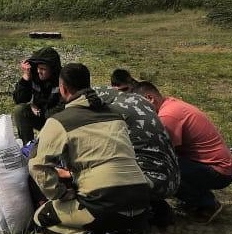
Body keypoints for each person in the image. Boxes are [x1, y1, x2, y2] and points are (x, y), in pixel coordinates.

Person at [30, 63, 152, 234]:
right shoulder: (115, 116)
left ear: (63, 88)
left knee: (41, 217)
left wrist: (61, 194)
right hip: (142, 200)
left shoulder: (59, 121)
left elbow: (37, 166)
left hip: (102, 203)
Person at [134, 82, 232, 223]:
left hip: (219, 171)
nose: (140, 111)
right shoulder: (170, 103)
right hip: (217, 165)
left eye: (140, 107)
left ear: (150, 98)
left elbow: (162, 154)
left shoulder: (167, 116)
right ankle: (197, 197)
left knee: (162, 170)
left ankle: (207, 205)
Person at [94, 85, 181, 227]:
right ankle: (156, 208)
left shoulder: (113, 112)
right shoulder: (141, 102)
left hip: (153, 183)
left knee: (102, 180)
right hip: (174, 177)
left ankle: (142, 218)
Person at [10, 46, 63, 144]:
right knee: (20, 110)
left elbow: (63, 107)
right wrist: (26, 77)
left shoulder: (62, 80)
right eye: (38, 68)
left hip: (57, 122)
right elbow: (19, 99)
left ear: (52, 69)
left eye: (43, 69)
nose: (39, 71)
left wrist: (41, 113)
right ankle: (28, 147)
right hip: (40, 117)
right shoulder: (34, 75)